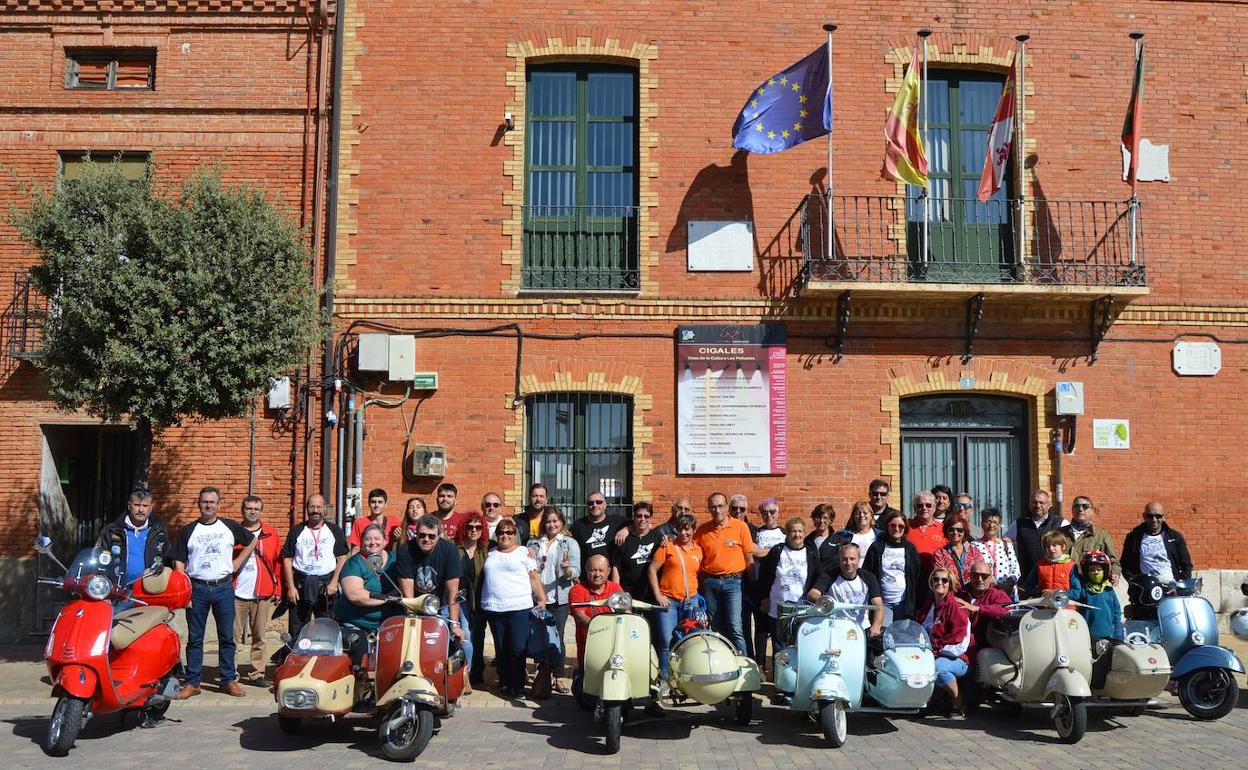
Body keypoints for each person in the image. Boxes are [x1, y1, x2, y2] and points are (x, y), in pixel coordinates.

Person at [173, 487, 260, 699]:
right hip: (197, 589)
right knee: (195, 639)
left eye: (212, 502)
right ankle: (193, 682)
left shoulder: (229, 526)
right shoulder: (189, 530)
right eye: (205, 502)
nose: (209, 505)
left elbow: (252, 541)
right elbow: (179, 560)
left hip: (223, 587)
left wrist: (237, 562)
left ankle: (228, 680)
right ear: (199, 504)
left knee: (227, 637)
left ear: (218, 504)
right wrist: (183, 590)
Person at [479, 520, 546, 699]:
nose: (505, 535)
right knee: (501, 649)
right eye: (501, 532)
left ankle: (518, 686)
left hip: (519, 608)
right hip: (494, 608)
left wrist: (542, 599)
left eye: (509, 532)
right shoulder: (490, 552)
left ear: (515, 533)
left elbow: (533, 577)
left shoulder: (524, 552)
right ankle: (505, 682)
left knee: (518, 648)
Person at [528, 505, 580, 697]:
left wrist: (567, 569)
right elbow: (527, 567)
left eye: (555, 521)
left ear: (561, 522)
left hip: (559, 597)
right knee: (538, 636)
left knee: (557, 637)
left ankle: (558, 676)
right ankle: (542, 675)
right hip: (537, 597)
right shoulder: (534, 543)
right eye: (548, 521)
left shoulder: (569, 543)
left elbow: (576, 571)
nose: (552, 525)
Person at [282, 493, 350, 639]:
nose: (315, 510)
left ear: (325, 509)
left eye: (319, 507)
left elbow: (342, 557)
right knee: (297, 629)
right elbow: (287, 558)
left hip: (326, 586)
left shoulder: (334, 530)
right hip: (301, 585)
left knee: (328, 627)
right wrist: (291, 587)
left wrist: (334, 582)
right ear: (307, 508)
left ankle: (326, 659)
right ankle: (297, 659)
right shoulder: (297, 530)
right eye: (312, 506)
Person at [333, 524, 400, 669]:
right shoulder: (354, 563)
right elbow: (355, 594)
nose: (373, 542)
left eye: (377, 538)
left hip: (390, 624)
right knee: (361, 663)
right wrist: (387, 598)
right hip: (359, 625)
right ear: (362, 542)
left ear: (385, 540)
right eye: (368, 539)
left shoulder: (395, 560)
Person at [695, 492, 753, 653]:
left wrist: (753, 586)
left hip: (733, 583)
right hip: (710, 583)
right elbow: (691, 552)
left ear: (727, 507)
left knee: (735, 627)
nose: (717, 510)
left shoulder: (740, 527)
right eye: (713, 507)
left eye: (720, 506)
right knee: (715, 627)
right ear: (708, 509)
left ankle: (743, 665)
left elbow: (749, 559)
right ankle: (720, 662)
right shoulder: (702, 531)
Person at [233, 494, 281, 687]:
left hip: (262, 591)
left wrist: (278, 588)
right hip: (236, 592)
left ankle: (257, 673)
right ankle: (231, 674)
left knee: (259, 636)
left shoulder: (271, 533)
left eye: (256, 509)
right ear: (242, 511)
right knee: (232, 637)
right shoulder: (233, 532)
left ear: (261, 511)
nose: (252, 512)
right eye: (249, 508)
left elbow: (277, 563)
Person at [648, 512, 703, 679]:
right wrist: (658, 595)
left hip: (691, 601)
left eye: (687, 530)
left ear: (694, 530)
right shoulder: (668, 546)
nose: (684, 533)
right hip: (669, 601)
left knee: (690, 641)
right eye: (680, 530)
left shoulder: (699, 550)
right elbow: (652, 570)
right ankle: (665, 678)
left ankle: (687, 676)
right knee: (666, 640)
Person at [755, 516, 821, 654]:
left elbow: (817, 578)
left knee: (803, 647)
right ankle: (779, 675)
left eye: (800, 531)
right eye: (793, 531)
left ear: (804, 533)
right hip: (778, 608)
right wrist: (764, 599)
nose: (797, 535)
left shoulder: (811, 553)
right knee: (780, 649)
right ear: (787, 533)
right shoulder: (777, 551)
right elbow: (764, 576)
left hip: (802, 608)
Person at [394, 515, 464, 640]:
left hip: (441, 605)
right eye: (421, 535)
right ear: (416, 533)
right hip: (413, 605)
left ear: (438, 537)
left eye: (431, 536)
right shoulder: (405, 550)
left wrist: (454, 625)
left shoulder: (449, 550)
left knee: (462, 638)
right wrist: (412, 623)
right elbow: (408, 595)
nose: (426, 539)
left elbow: (453, 591)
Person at [917, 566, 972, 715]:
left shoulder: (956, 606)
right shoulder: (929, 603)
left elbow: (960, 642)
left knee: (938, 668)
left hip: (958, 657)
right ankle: (922, 703)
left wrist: (937, 649)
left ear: (950, 583)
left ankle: (958, 704)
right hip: (933, 653)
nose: (939, 583)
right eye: (936, 579)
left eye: (944, 580)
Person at [97, 489, 170, 591]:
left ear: (151, 508)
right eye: (136, 505)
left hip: (150, 591)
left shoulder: (159, 532)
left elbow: (167, 561)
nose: (140, 510)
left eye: (145, 506)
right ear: (129, 505)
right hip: (117, 591)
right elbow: (100, 562)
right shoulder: (112, 530)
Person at [810, 543, 885, 638]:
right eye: (844, 559)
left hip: (861, 629)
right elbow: (813, 594)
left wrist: (876, 626)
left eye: (852, 559)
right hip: (835, 628)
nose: (848, 563)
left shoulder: (869, 577)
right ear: (839, 560)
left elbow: (878, 605)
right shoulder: (829, 576)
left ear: (858, 560)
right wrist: (825, 602)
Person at [744, 498, 785, 664]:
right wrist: (774, 552)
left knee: (777, 630)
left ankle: (778, 666)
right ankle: (760, 665)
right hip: (761, 585)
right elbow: (751, 551)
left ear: (778, 512)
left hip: (779, 586)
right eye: (765, 512)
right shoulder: (756, 533)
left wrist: (762, 552)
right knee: (761, 628)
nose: (769, 515)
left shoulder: (784, 534)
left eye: (772, 512)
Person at [864, 509, 922, 620]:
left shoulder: (910, 549)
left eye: (901, 526)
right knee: (884, 634)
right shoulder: (876, 548)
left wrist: (917, 604)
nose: (896, 529)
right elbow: (868, 574)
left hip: (904, 603)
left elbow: (917, 577)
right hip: (883, 603)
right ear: (887, 526)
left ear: (905, 528)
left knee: (902, 635)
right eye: (893, 525)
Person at [569, 554, 623, 670]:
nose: (597, 574)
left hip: (614, 645)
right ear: (586, 571)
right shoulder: (577, 590)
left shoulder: (615, 589)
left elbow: (626, 612)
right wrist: (602, 629)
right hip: (589, 648)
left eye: (601, 570)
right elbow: (579, 615)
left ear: (608, 571)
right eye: (593, 570)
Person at [1121, 502, 1193, 583]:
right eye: (1150, 516)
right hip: (1144, 589)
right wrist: (1133, 581)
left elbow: (1186, 565)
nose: (1154, 520)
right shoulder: (1134, 537)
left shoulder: (1174, 537)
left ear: (1163, 517)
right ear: (1144, 516)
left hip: (1171, 588)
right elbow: (1125, 564)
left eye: (1158, 516)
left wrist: (1180, 585)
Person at [1005, 489, 1067, 582]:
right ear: (1030, 504)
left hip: (1052, 580)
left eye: (1041, 502)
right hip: (1026, 579)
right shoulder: (1019, 523)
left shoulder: (1061, 523)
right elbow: (1005, 541)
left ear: (1049, 505)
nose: (1038, 505)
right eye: (1034, 502)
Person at [954, 559, 1013, 657]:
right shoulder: (960, 594)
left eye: (984, 576)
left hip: (985, 650)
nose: (980, 579)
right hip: (958, 646)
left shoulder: (997, 594)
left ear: (991, 578)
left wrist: (979, 609)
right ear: (970, 576)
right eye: (975, 575)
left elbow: (1008, 611)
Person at [458, 512, 489, 689]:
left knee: (478, 636)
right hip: (460, 601)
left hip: (480, 600)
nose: (474, 530)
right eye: (470, 527)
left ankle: (476, 672)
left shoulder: (485, 550)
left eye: (478, 527)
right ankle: (462, 673)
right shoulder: (456, 550)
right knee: (463, 636)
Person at [609, 501, 663, 602]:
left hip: (651, 592)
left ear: (651, 518)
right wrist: (616, 592)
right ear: (633, 517)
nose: (642, 519)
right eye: (639, 516)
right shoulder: (623, 538)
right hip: (628, 593)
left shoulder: (657, 537)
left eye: (646, 516)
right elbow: (616, 567)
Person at [1060, 496, 1121, 584]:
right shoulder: (1059, 534)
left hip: (1090, 587)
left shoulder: (1102, 536)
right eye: (1077, 506)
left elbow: (1113, 561)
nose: (1080, 509)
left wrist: (1115, 573)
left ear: (1092, 511)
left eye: (1085, 506)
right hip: (1064, 585)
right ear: (1072, 510)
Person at [570, 490, 627, 571]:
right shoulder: (578, 526)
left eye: (599, 502)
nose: (595, 505)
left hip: (612, 578)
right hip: (586, 578)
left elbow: (639, 525)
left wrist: (626, 529)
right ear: (587, 506)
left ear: (605, 505)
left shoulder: (617, 522)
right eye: (591, 503)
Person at [1019, 530, 1083, 599]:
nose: (1051, 549)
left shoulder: (1071, 566)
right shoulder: (1040, 565)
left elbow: (1076, 592)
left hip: (1065, 607)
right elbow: (1028, 586)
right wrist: (1041, 592)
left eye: (1054, 545)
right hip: (1044, 606)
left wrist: (1057, 594)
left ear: (1063, 546)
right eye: (1048, 546)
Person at [975, 507, 1020, 598]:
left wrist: (1009, 583)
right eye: (988, 522)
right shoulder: (975, 545)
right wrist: (995, 584)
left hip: (1009, 592)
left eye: (995, 522)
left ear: (999, 526)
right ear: (982, 524)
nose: (992, 525)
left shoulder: (1006, 545)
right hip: (987, 593)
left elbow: (1015, 567)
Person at [1079, 551, 1123, 641]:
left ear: (1105, 571)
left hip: (1109, 633)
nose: (1095, 573)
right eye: (1092, 570)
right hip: (1088, 635)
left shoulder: (1109, 591)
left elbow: (1117, 611)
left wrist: (1118, 629)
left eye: (1099, 570)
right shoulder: (1084, 591)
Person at [932, 515, 983, 587]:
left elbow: (981, 572)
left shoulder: (974, 552)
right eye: (951, 530)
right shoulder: (940, 554)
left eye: (959, 530)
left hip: (972, 594)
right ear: (946, 531)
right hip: (951, 595)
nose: (955, 532)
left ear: (964, 532)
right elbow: (939, 579)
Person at [906, 491, 947, 578]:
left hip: (935, 579)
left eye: (928, 505)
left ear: (934, 508)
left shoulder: (944, 529)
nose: (924, 508)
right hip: (911, 577)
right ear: (914, 508)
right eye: (920, 505)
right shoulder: (905, 527)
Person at [349, 488, 398, 553]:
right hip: (366, 561)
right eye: (373, 502)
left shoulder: (394, 523)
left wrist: (399, 537)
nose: (376, 505)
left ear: (385, 504)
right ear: (369, 504)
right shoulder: (359, 523)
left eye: (380, 502)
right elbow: (355, 549)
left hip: (389, 561)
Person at [836, 501, 879, 567]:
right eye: (858, 513)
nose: (861, 515)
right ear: (853, 516)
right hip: (852, 574)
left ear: (871, 516)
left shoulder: (879, 535)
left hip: (873, 574)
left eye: (865, 513)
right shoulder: (844, 535)